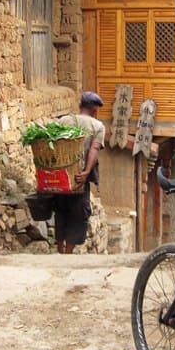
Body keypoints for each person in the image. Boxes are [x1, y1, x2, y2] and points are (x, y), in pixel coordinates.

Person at [52, 91, 105, 254]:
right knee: (77, 214)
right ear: (95, 109)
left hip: (60, 177)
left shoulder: (64, 121)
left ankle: (59, 249)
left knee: (61, 211)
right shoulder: (97, 126)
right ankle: (68, 253)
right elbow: (94, 149)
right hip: (78, 179)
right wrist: (86, 172)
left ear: (80, 105)